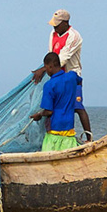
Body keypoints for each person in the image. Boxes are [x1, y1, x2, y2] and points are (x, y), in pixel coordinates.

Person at [32, 9, 92, 141]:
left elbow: (63, 58)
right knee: (53, 107)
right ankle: (54, 135)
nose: (54, 27)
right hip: (56, 77)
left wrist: (43, 69)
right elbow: (51, 54)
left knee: (77, 107)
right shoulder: (53, 34)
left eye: (57, 25)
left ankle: (89, 138)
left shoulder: (74, 36)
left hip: (71, 76)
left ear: (65, 23)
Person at [30, 53, 82, 152]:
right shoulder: (72, 76)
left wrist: (39, 115)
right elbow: (79, 81)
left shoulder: (49, 85)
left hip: (54, 133)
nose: (46, 71)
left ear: (50, 66)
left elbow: (48, 111)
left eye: (46, 68)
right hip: (69, 132)